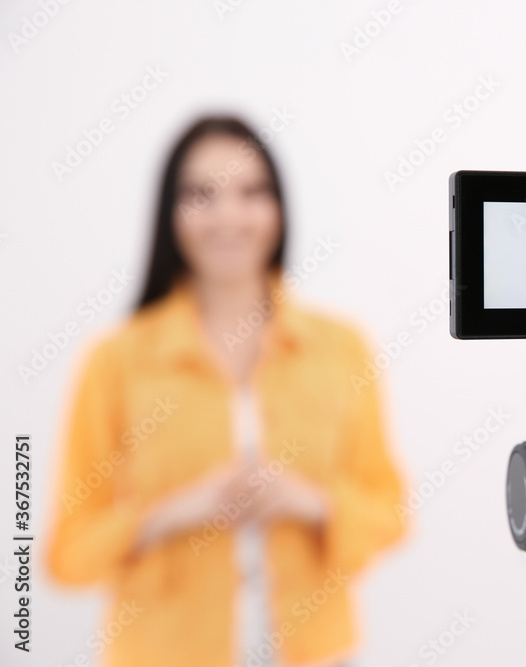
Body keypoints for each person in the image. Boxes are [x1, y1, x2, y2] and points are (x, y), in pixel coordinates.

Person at [46, 117, 408, 667]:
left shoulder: (343, 348)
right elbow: (67, 554)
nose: (229, 217)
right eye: (201, 195)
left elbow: (390, 515)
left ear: (279, 208)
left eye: (251, 192)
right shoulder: (114, 362)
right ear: (171, 213)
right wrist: (170, 513)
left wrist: (312, 502)